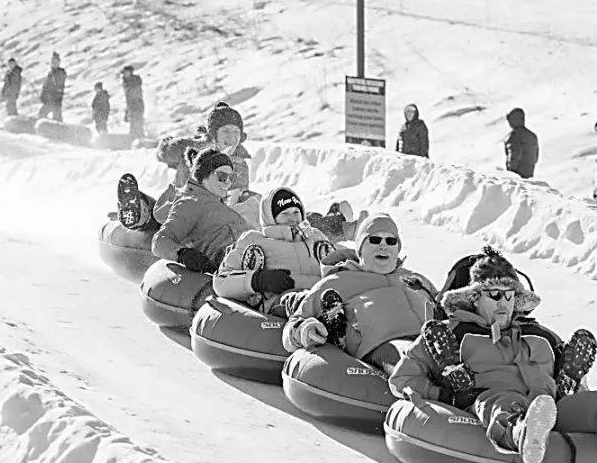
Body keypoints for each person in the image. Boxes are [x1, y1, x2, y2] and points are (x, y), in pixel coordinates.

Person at [389, 246, 597, 463]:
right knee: (502, 402)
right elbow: (403, 378)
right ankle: (520, 433)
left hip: (551, 408)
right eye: (494, 295)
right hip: (491, 399)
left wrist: (567, 383)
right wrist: (447, 393)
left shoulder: (540, 336)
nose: (503, 303)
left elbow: (575, 389)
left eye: (510, 296)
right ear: (474, 299)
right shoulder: (452, 335)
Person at [282, 213, 438, 373]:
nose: (383, 246)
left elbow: (442, 307)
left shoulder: (415, 279)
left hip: (432, 339)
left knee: (447, 353)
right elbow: (295, 323)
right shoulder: (338, 280)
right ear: (361, 250)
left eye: (391, 241)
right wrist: (305, 330)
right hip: (384, 345)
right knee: (410, 357)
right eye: (375, 240)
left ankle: (453, 384)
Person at [213, 187, 357, 316]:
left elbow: (338, 261)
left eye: (296, 212)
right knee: (298, 299)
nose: (292, 218)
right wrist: (257, 280)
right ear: (271, 217)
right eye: (285, 213)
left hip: (325, 296)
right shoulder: (254, 240)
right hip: (282, 303)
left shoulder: (315, 236)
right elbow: (221, 281)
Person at [150, 147, 250, 273]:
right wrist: (185, 254)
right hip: (228, 271)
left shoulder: (216, 202)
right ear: (204, 175)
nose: (228, 183)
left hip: (249, 261)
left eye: (232, 177)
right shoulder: (190, 202)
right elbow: (160, 241)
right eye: (222, 177)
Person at [114, 135, 205, 230]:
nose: (169, 166)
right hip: (184, 209)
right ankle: (141, 210)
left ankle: (142, 213)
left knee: (159, 213)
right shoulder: (186, 169)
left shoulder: (188, 169)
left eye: (169, 161)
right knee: (159, 210)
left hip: (191, 213)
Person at [504, 107, 539, 179]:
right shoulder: (532, 136)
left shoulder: (514, 135)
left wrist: (510, 174)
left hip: (517, 177)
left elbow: (513, 154)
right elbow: (535, 158)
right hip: (529, 174)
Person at [37, 52, 67, 122]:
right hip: (48, 100)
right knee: (42, 114)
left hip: (56, 100)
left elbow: (58, 84)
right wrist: (42, 96)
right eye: (52, 62)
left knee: (57, 117)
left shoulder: (61, 73)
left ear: (59, 63)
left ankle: (61, 130)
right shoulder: (50, 73)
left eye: (56, 62)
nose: (54, 63)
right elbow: (45, 86)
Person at [121, 65, 145, 139]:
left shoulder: (134, 81)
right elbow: (128, 99)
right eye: (124, 73)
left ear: (130, 72)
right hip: (131, 106)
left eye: (126, 72)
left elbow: (136, 95)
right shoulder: (126, 83)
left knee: (137, 124)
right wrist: (127, 111)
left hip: (137, 105)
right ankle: (134, 139)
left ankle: (140, 140)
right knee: (133, 124)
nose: (124, 74)